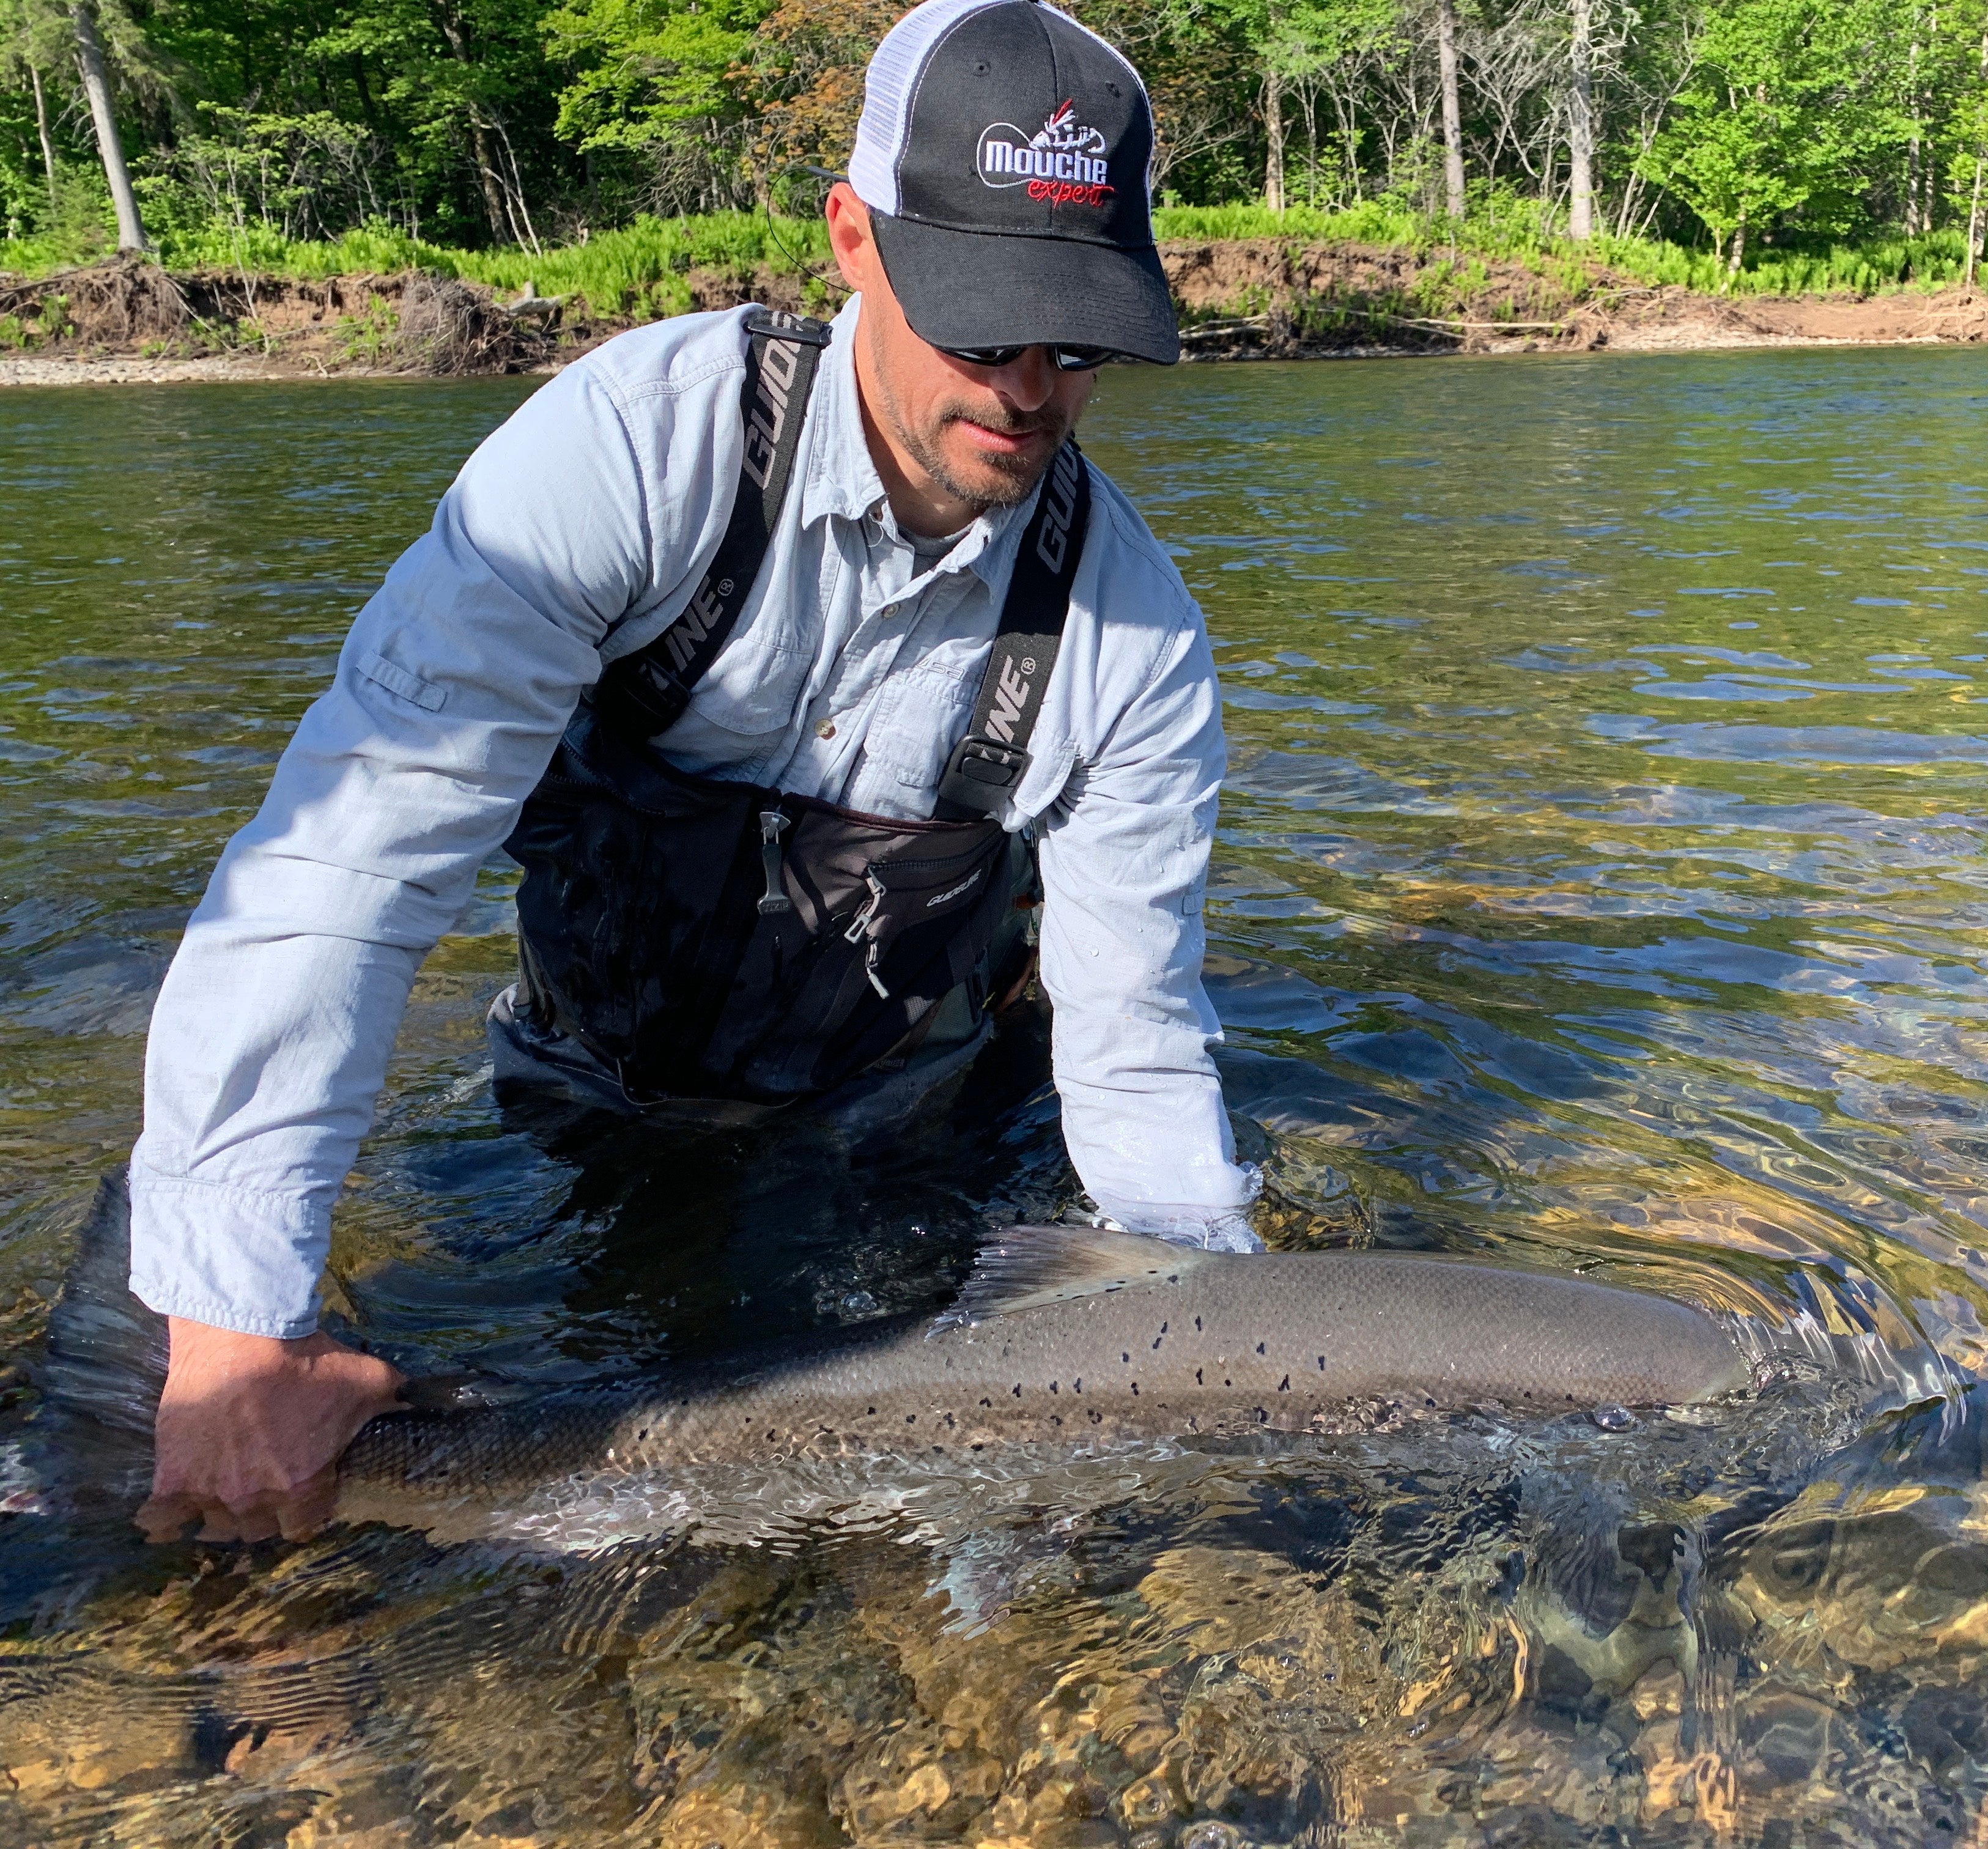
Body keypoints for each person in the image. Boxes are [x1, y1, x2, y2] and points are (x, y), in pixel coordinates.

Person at [125, 0, 1260, 1543]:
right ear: (851, 237)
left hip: (885, 1116)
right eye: (985, 323)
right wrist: (230, 1318)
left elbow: (1135, 1049)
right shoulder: (624, 458)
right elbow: (352, 859)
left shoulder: (1137, 639)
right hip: (582, 1086)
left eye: (1080, 338)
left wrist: (1209, 1322)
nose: (1030, 387)